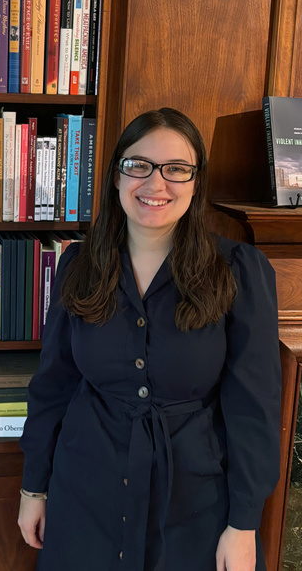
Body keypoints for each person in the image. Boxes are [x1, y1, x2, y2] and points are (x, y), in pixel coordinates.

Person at [18, 108, 281, 571]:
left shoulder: (238, 270)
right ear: (117, 176)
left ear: (196, 182)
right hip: (84, 498)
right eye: (138, 165)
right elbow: (53, 386)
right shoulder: (79, 266)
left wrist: (243, 524)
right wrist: (33, 489)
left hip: (196, 507)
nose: (155, 184)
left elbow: (253, 408)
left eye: (176, 169)